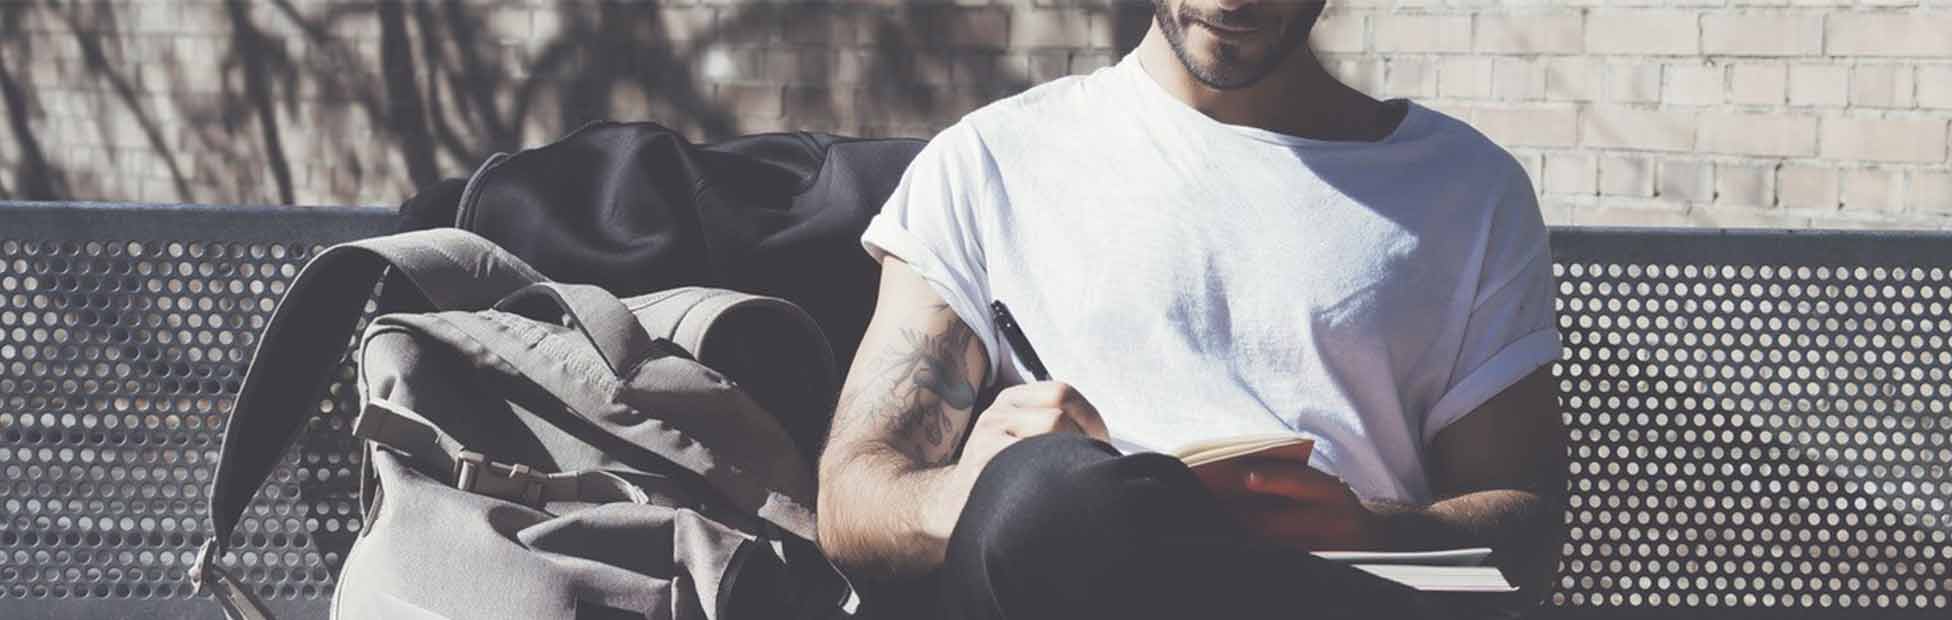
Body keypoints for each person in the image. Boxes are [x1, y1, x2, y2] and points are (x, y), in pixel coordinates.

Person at [815, 1, 1567, 617]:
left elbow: (1526, 529)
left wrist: (1374, 530)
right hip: (1059, 567)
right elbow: (851, 499)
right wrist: (966, 490)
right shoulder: (987, 162)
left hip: (1312, 590)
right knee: (1046, 497)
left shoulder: (1463, 190)